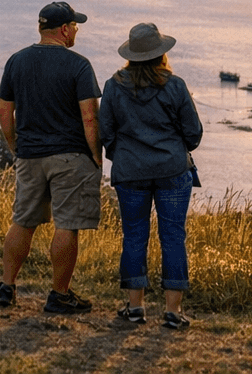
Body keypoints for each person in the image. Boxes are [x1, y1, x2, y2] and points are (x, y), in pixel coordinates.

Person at [0, 1, 103, 314]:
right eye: (75, 26)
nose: (77, 31)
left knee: (23, 221)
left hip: (30, 155)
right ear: (65, 29)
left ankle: (6, 287)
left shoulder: (17, 61)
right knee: (67, 224)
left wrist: (16, 146)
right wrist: (96, 155)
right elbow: (90, 118)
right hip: (70, 157)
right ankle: (59, 294)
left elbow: (4, 110)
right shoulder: (79, 65)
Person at [98, 22, 203, 330]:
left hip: (130, 172)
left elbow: (106, 133)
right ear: (161, 54)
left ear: (131, 54)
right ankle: (172, 312)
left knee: (134, 236)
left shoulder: (113, 86)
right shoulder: (176, 86)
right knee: (172, 236)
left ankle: (135, 308)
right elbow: (193, 134)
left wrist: (126, 155)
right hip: (172, 171)